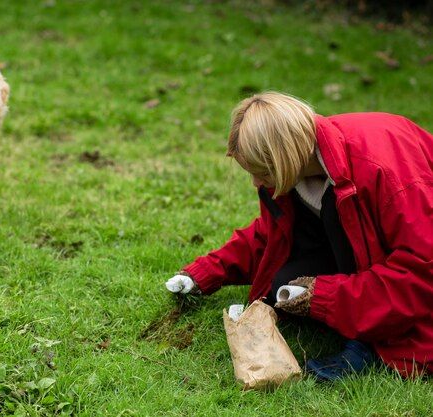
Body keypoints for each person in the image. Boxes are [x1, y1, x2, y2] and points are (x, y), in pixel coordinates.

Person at [165, 92, 433, 380]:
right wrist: (204, 273)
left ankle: (368, 347)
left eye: (262, 171)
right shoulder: (300, 169)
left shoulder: (382, 171)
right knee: (283, 283)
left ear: (284, 157)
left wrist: (326, 297)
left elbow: (421, 270)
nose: (256, 182)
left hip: (419, 262)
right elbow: (273, 236)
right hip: (378, 257)